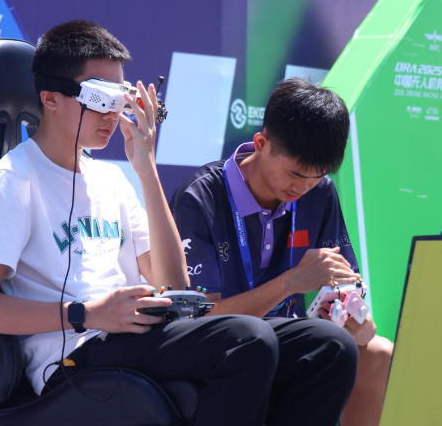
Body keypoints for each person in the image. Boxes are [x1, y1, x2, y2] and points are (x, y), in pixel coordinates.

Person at [0, 20, 357, 425]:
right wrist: (87, 314)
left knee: (328, 345)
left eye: (121, 98)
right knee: (247, 340)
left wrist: (145, 167)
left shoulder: (114, 179)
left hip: (134, 336)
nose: (114, 113)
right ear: (51, 98)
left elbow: (175, 282)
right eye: (101, 97)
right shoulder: (12, 182)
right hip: (73, 357)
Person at [169, 78, 394, 426]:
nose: (303, 187)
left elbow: (351, 295)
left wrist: (356, 322)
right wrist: (291, 282)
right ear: (262, 143)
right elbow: (198, 322)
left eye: (316, 177)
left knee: (378, 351)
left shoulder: (320, 193)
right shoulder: (200, 197)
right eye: (295, 173)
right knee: (269, 346)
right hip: (223, 347)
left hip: (292, 340)